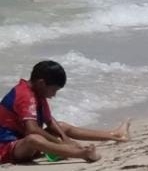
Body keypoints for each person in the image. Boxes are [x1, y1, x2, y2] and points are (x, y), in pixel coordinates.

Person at [1, 61, 130, 165]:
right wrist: (61, 144)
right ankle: (81, 154)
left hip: (21, 142)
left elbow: (50, 121)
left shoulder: (37, 92)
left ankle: (115, 135)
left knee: (61, 126)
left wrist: (66, 139)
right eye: (53, 90)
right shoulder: (24, 95)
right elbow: (32, 129)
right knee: (33, 138)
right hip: (8, 148)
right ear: (41, 83)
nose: (54, 95)